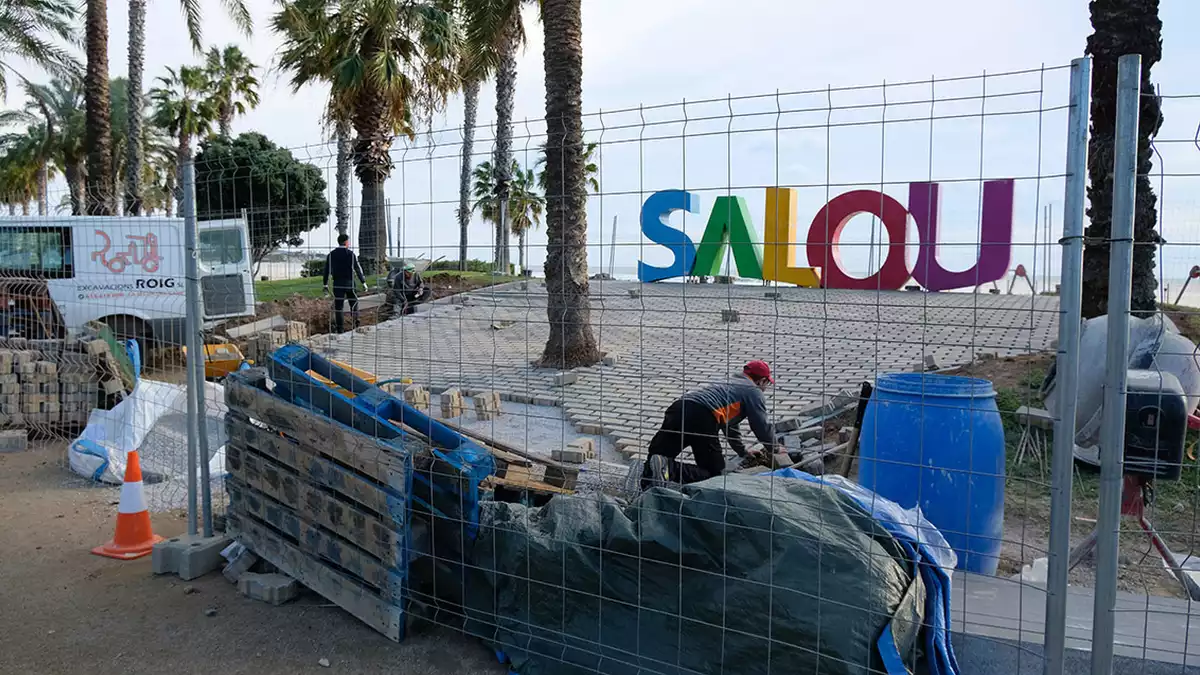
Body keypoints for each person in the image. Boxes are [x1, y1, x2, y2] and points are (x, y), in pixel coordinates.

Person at [642, 360, 780, 490]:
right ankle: (670, 469)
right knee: (713, 474)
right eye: (767, 384)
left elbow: (730, 425)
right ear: (762, 380)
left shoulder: (729, 383)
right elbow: (761, 425)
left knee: (658, 456)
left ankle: (646, 483)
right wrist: (775, 449)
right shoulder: (753, 391)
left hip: (679, 408)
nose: (765, 388)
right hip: (702, 416)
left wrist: (742, 451)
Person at [322, 234, 367, 333]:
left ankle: (340, 329)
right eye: (348, 241)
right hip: (350, 283)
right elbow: (357, 268)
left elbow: (326, 271)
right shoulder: (350, 254)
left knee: (339, 307)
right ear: (346, 242)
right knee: (354, 303)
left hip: (337, 283)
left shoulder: (331, 254)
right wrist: (363, 282)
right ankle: (355, 324)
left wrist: (325, 284)